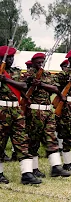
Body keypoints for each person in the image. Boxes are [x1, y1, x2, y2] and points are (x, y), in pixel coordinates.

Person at [21, 53, 71, 178]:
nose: (40, 63)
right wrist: (29, 90)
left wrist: (41, 84)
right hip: (34, 111)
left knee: (51, 138)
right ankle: (33, 169)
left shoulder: (47, 74)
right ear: (33, 62)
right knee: (34, 140)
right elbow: (21, 88)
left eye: (42, 61)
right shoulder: (28, 74)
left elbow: (55, 88)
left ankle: (56, 167)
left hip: (47, 111)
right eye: (38, 61)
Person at [0, 46, 41, 185]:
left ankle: (27, 174)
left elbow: (23, 86)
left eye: (12, 57)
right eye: (7, 58)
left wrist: (6, 80)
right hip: (1, 110)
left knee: (22, 141)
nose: (10, 60)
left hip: (16, 111)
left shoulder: (15, 72)